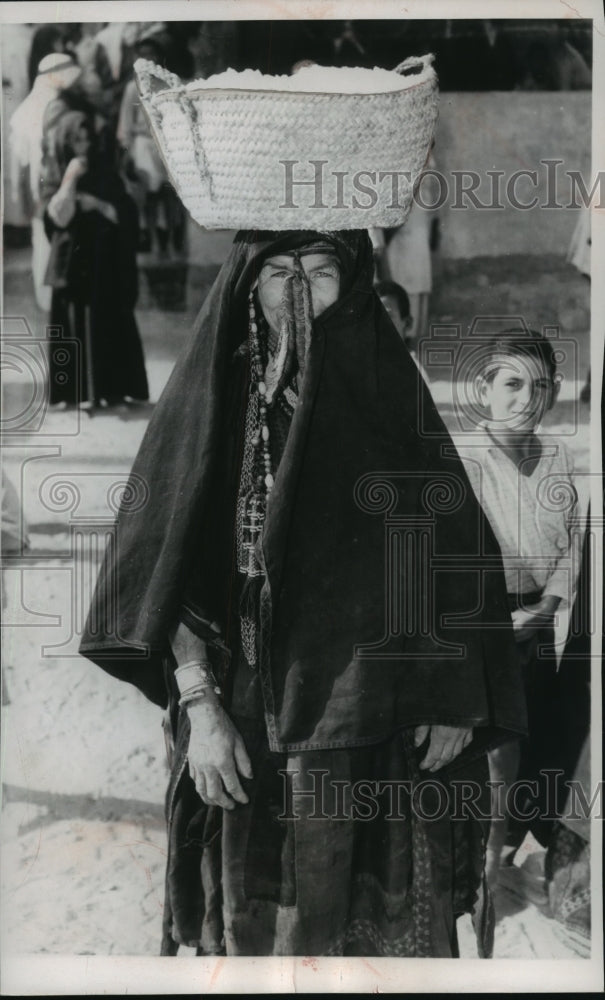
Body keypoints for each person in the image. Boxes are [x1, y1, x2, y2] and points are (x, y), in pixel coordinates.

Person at [80, 229, 527, 957]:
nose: (295, 293)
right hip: (245, 713)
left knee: (382, 941)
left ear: (351, 288)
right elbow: (164, 571)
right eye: (276, 273)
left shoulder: (388, 395)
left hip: (380, 722)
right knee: (259, 934)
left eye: (319, 273)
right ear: (244, 286)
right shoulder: (213, 404)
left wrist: (453, 698)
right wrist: (200, 708)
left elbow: (452, 558)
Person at [453, 329, 582, 890]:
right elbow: (446, 560)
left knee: (536, 739)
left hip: (539, 620)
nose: (527, 399)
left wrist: (547, 607)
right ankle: (476, 877)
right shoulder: (461, 460)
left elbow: (572, 544)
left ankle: (504, 855)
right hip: (482, 625)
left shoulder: (557, 456)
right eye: (512, 384)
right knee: (492, 755)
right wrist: (493, 625)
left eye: (540, 387)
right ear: (484, 389)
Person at [43, 111, 149, 408]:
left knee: (106, 323)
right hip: (71, 267)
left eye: (87, 139)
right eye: (77, 140)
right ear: (65, 142)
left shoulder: (105, 172)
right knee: (72, 321)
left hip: (105, 266)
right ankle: (73, 394)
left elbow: (125, 214)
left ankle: (111, 390)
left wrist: (97, 205)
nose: (84, 145)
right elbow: (57, 219)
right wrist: (70, 178)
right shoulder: (56, 174)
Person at [9, 52, 83, 310]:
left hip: (54, 187)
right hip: (46, 189)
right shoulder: (40, 110)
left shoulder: (52, 106)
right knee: (47, 241)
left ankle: (54, 300)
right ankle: (51, 301)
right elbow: (20, 163)